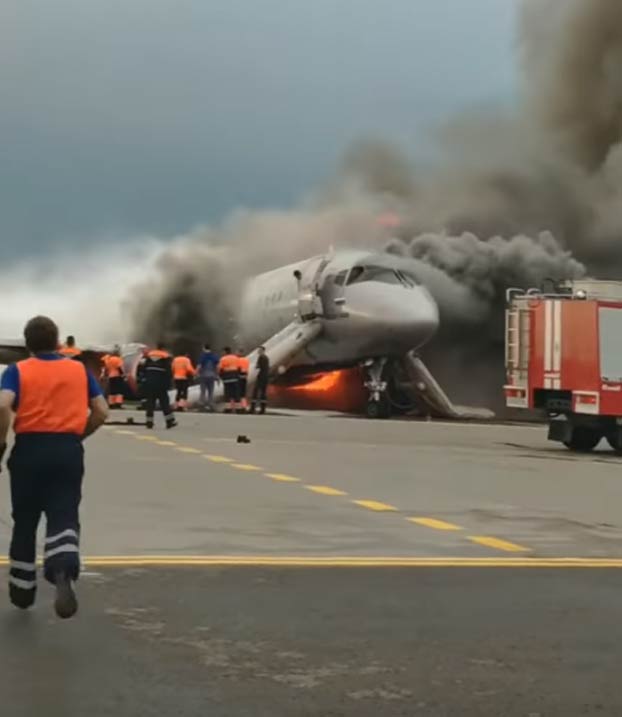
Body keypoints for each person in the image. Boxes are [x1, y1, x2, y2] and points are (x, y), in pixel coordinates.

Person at [0, 316, 108, 618]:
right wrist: (77, 436)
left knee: (25, 519)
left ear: (27, 343)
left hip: (29, 450)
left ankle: (22, 589)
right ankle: (63, 569)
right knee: (64, 513)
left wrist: (0, 444)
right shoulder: (79, 371)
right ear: (58, 341)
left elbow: (2, 404)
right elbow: (101, 411)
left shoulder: (17, 371)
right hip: (67, 450)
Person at [140, 343, 177, 429]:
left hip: (149, 383)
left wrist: (144, 381)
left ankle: (149, 422)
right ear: (163, 348)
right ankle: (169, 421)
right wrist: (169, 384)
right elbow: (169, 373)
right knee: (164, 402)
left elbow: (143, 370)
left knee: (150, 403)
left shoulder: (149, 356)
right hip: (161, 384)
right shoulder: (166, 357)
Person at [197, 344, 219, 412]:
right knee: (210, 391)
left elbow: (199, 366)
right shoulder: (214, 356)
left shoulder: (202, 356)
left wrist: (196, 374)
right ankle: (210, 405)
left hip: (203, 375)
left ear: (204, 348)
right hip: (212, 376)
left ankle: (202, 405)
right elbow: (217, 366)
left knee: (203, 391)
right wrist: (217, 375)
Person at [218, 347, 240, 414]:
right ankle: (238, 409)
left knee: (227, 394)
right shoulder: (236, 358)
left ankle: (228, 408)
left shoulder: (223, 359)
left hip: (227, 378)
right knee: (236, 394)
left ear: (225, 351)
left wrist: (220, 377)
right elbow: (239, 367)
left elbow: (219, 369)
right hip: (235, 378)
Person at [250, 346, 270, 415]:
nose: (258, 351)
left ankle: (252, 408)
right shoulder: (266, 358)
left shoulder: (261, 357)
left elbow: (258, 367)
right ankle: (263, 409)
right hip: (266, 377)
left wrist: (256, 367)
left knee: (255, 391)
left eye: (260, 350)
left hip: (261, 376)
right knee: (263, 393)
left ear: (263, 351)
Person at [236, 348, 250, 414]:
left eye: (237, 352)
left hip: (239, 377)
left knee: (238, 393)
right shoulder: (246, 360)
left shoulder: (238, 360)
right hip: (245, 377)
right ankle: (244, 407)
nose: (236, 353)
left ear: (240, 352)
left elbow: (238, 368)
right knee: (243, 394)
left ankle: (239, 408)